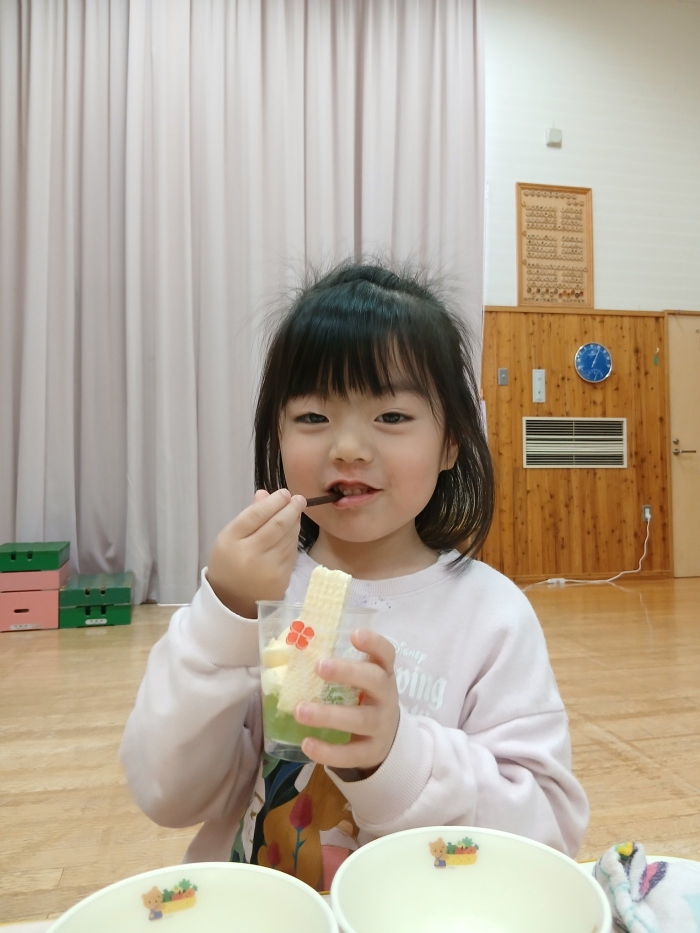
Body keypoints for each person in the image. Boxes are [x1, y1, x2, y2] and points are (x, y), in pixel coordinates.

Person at [120, 262, 589, 891]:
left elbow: (550, 834)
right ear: (277, 434)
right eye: (313, 417)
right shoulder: (258, 598)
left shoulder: (491, 616)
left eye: (391, 416)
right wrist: (223, 615)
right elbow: (166, 794)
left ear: (451, 442)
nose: (347, 447)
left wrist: (396, 758)